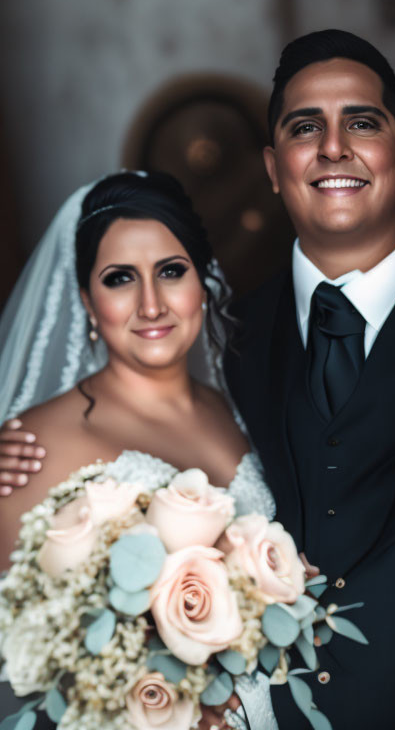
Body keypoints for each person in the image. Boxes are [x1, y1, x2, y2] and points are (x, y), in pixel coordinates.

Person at [1, 31, 395, 728]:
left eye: (362, 122)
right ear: (274, 167)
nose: (334, 148)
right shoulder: (229, 339)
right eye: (307, 128)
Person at [0, 171, 276, 730]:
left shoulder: (242, 406)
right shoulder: (32, 446)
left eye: (171, 272)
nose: (151, 304)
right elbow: (27, 655)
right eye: (120, 278)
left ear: (203, 281)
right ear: (86, 299)